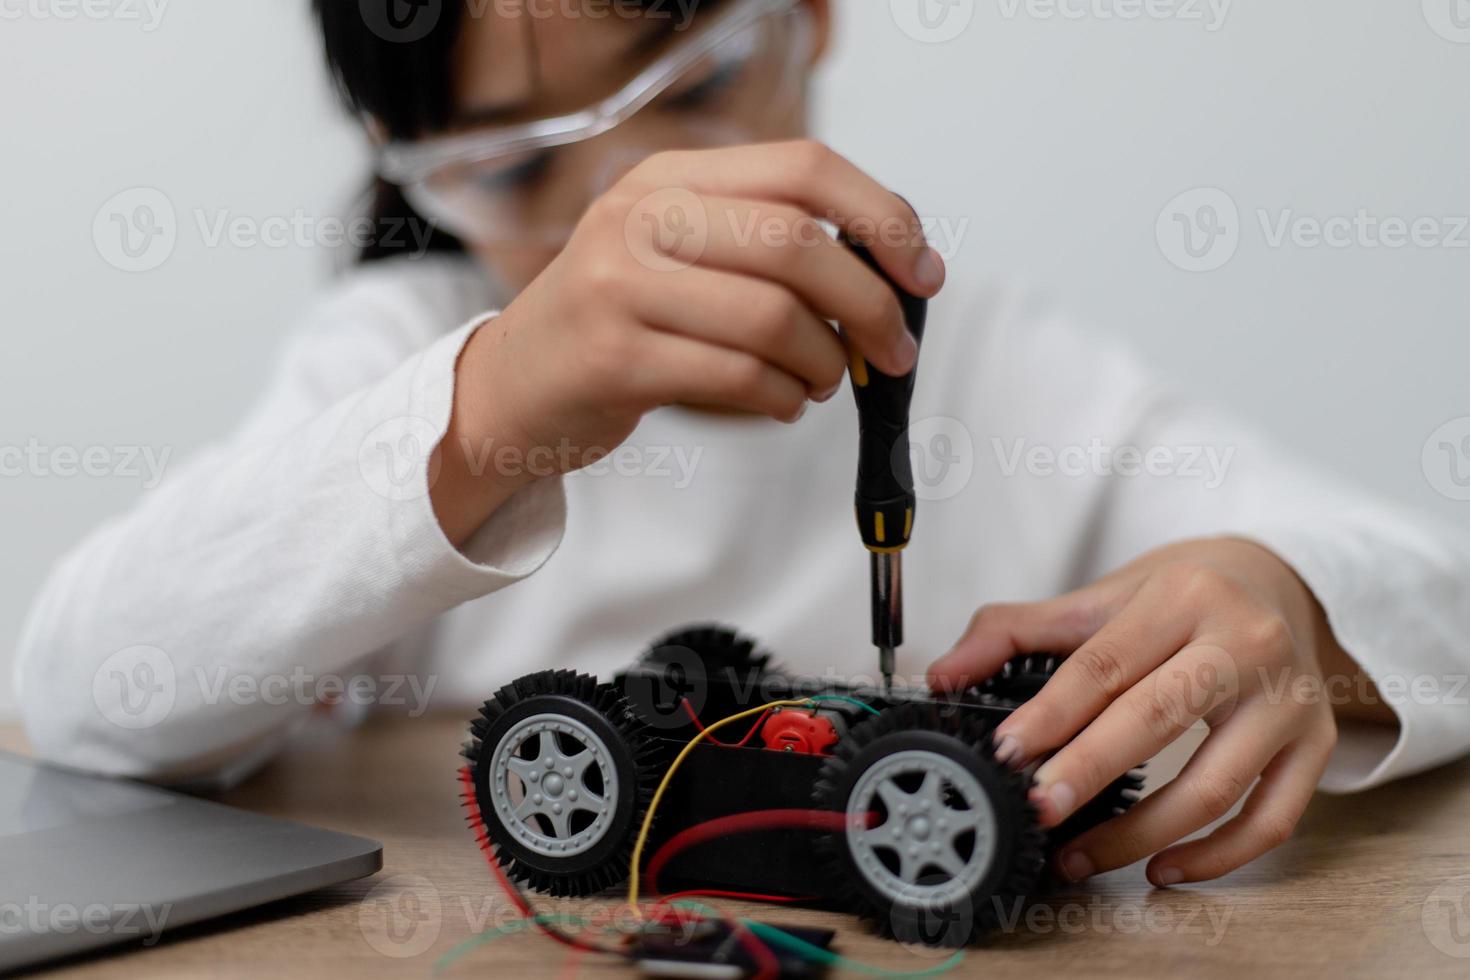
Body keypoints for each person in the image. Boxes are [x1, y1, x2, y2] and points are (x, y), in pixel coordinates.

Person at [16, 0, 1470, 891]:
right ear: (421, 174)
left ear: (811, 11)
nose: (633, 196)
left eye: (694, 85)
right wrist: (493, 404)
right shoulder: (403, 353)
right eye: (518, 166)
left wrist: (1284, 598)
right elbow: (87, 693)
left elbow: (1434, 584)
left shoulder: (1012, 378)